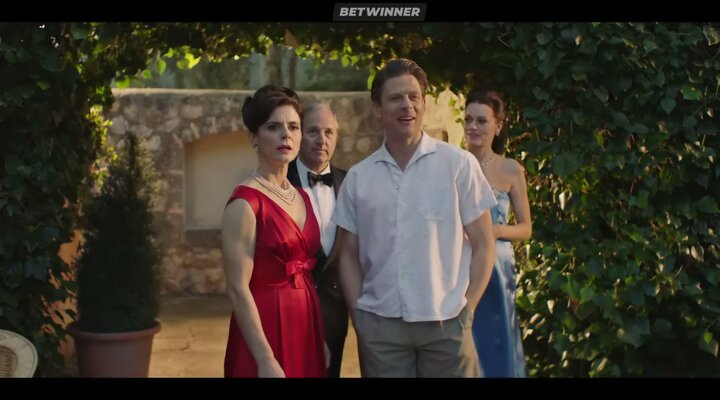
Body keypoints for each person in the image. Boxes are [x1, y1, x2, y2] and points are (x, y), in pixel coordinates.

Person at [332, 59, 497, 377]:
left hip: (448, 324)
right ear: (378, 109)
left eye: (413, 97)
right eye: (395, 98)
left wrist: (468, 309)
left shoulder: (459, 165)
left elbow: (483, 244)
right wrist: (359, 316)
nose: (406, 105)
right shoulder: (358, 178)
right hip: (381, 329)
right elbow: (348, 254)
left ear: (424, 103)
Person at [221, 85, 327, 378]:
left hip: (305, 325)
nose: (286, 135)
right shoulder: (245, 203)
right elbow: (236, 288)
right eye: (273, 127)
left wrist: (318, 336)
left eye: (293, 126)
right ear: (254, 137)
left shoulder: (302, 196)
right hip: (263, 332)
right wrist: (265, 360)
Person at [463, 90, 532, 377]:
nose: (473, 126)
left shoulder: (510, 169)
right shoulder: (454, 164)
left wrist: (497, 230)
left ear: (498, 125)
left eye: (481, 121)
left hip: (499, 267)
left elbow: (526, 228)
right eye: (468, 119)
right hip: (461, 263)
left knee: (497, 340)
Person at [287, 103, 348, 378]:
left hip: (335, 312)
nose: (321, 139)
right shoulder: (279, 180)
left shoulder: (350, 183)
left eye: (328, 132)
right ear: (299, 134)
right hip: (289, 309)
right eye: (313, 131)